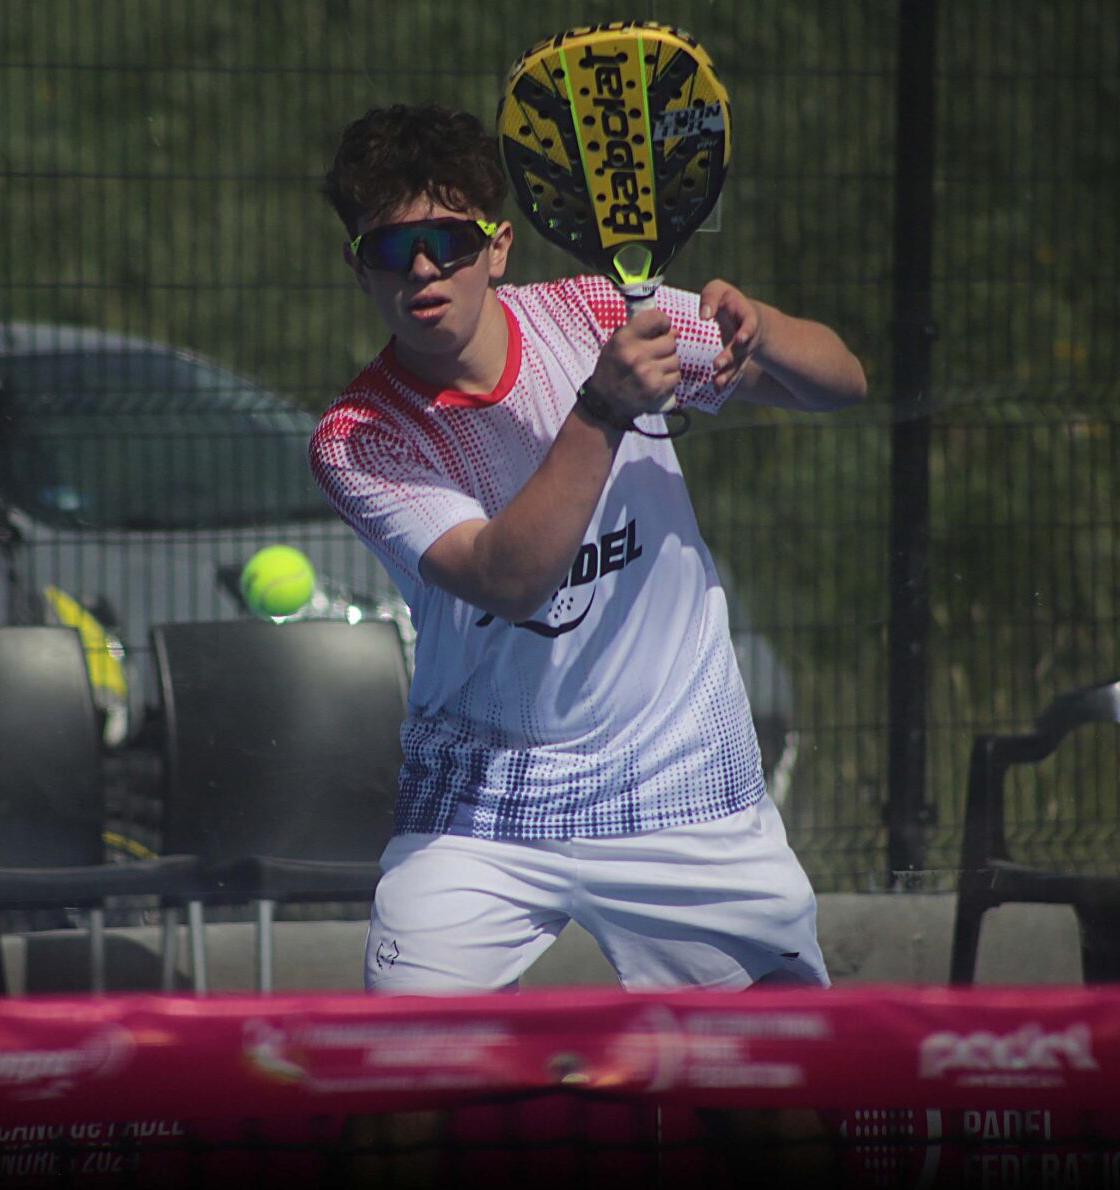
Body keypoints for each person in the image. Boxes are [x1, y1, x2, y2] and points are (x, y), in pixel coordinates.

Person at [312, 102, 866, 994]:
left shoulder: (596, 311)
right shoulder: (359, 436)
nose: (421, 268)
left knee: (776, 1071)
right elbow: (509, 579)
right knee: (407, 1072)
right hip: (480, 809)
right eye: (389, 248)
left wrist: (760, 325)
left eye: (447, 240)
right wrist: (604, 407)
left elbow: (840, 384)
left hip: (681, 784)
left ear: (498, 247)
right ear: (359, 268)